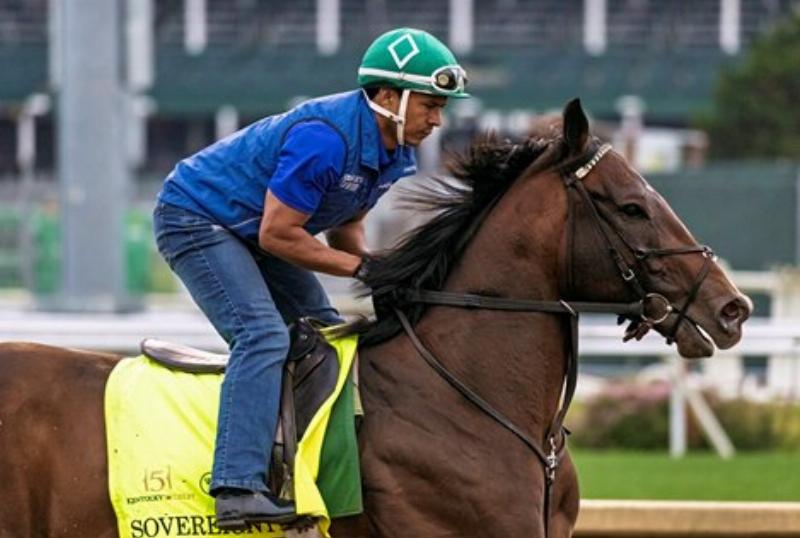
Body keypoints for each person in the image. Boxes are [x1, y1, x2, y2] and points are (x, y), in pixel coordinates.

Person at [152, 27, 469, 530]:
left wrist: (375, 273)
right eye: (430, 104)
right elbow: (279, 235)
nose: (438, 118)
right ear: (388, 96)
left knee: (325, 334)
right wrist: (365, 269)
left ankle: (305, 464)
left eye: (442, 107)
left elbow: (346, 224)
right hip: (196, 219)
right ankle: (236, 487)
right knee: (262, 335)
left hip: (253, 230)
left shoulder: (396, 150)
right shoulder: (324, 139)